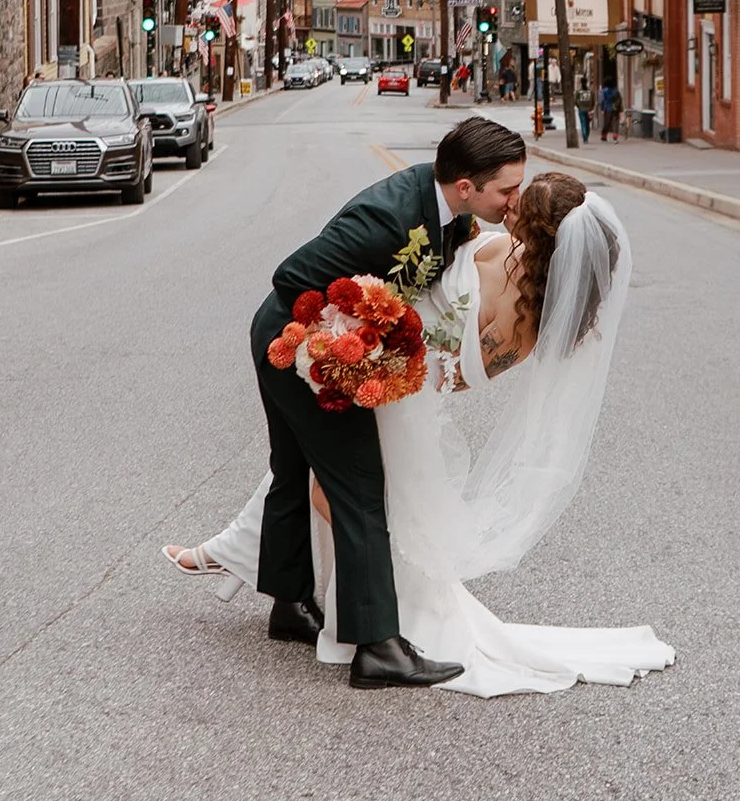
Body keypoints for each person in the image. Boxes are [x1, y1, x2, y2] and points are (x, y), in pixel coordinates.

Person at [163, 171, 674, 697]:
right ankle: (263, 571)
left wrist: (388, 359)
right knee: (312, 465)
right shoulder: (500, 247)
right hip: (376, 353)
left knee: (334, 490)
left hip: (399, 389)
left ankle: (367, 614)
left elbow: (461, 376)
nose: (510, 205)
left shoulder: (525, 322)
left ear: (543, 238)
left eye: (522, 205)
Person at [236, 115, 525, 691]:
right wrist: (353, 341)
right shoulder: (388, 217)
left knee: (292, 470)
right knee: (360, 487)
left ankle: (288, 605)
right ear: (465, 186)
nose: (513, 199)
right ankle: (377, 648)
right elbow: (291, 277)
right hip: (296, 344)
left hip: (288, 337)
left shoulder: (448, 208)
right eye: (507, 190)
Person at [574, 76, 595, 143]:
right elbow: (593, 100)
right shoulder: (590, 91)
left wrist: (578, 106)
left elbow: (575, 100)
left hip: (581, 109)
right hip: (589, 110)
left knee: (583, 123)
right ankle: (587, 136)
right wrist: (592, 107)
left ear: (581, 82)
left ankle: (585, 137)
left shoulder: (578, 91)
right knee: (587, 124)